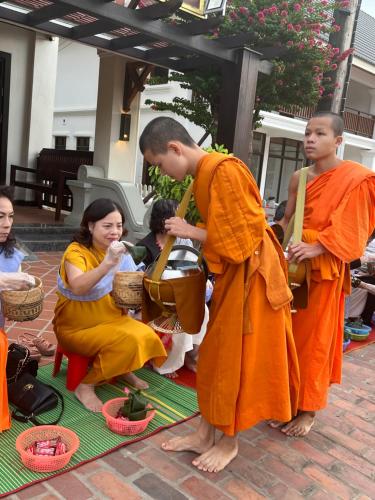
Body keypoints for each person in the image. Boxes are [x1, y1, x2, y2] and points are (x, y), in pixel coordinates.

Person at [139, 117, 299, 473]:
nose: (164, 173)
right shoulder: (205, 175)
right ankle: (204, 432)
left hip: (252, 280)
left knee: (236, 362)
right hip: (234, 279)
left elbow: (243, 240)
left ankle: (228, 441)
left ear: (176, 148)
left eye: (161, 164)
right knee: (214, 359)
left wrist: (192, 232)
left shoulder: (224, 170)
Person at [278, 111, 375, 437]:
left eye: (319, 133)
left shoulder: (356, 178)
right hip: (293, 270)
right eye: (307, 133)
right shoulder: (298, 178)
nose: (310, 139)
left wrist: (318, 247)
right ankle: (287, 401)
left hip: (324, 274)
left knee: (313, 344)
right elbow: (287, 222)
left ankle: (308, 410)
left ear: (338, 141)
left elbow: (356, 229)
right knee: (286, 339)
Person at [53, 198, 167, 412]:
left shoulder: (122, 252)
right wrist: (108, 263)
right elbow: (78, 287)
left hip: (113, 319)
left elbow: (133, 283)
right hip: (76, 328)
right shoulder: (75, 252)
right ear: (90, 225)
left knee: (146, 333)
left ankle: (121, 367)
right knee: (129, 341)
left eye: (118, 225)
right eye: (107, 226)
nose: (115, 231)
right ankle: (86, 385)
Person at [137, 199, 210, 378]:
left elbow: (191, 268)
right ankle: (164, 364)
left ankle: (190, 356)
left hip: (180, 295)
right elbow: (139, 281)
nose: (183, 222)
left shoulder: (183, 241)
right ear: (164, 221)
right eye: (179, 217)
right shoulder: (145, 246)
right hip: (154, 301)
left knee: (203, 310)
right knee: (179, 315)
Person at [0, 186, 36, 432]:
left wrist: (23, 290)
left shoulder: (12, 253)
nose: (6, 224)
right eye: (0, 216)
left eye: (10, 216)